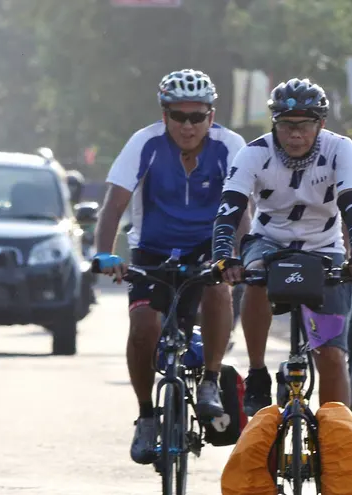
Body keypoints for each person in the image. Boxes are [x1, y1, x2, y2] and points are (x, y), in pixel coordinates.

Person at [92, 68, 247, 465]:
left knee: (217, 291)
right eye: (179, 116)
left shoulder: (230, 146)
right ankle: (146, 415)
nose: (188, 125)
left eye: (197, 116)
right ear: (165, 116)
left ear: (211, 117)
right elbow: (115, 205)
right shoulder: (144, 144)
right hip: (152, 252)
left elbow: (242, 208)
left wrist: (238, 255)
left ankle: (210, 380)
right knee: (144, 329)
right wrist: (104, 253)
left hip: (209, 248)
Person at [208, 78, 352, 412]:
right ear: (275, 124)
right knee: (255, 276)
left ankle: (336, 436)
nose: (295, 135)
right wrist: (224, 256)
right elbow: (229, 209)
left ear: (321, 124)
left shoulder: (339, 147)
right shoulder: (254, 152)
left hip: (324, 248)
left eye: (304, 125)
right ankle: (257, 373)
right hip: (269, 242)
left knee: (330, 355)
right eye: (286, 125)